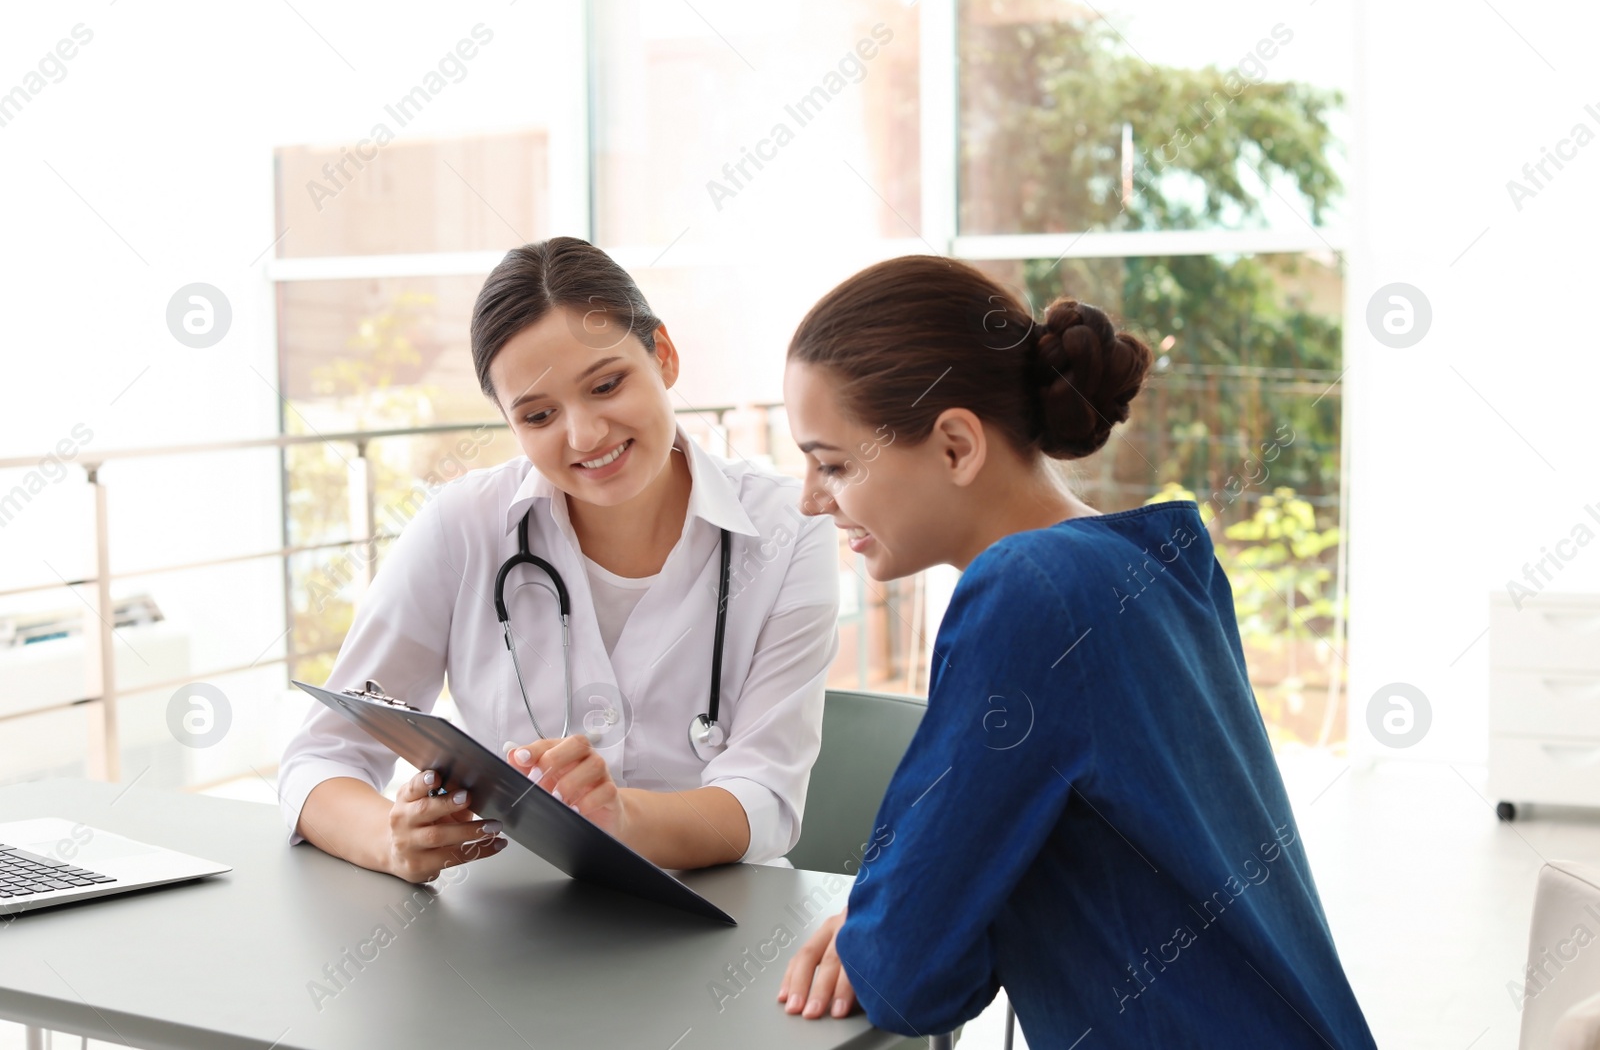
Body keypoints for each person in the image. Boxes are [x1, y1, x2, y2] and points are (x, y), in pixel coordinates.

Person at [775, 256, 1375, 1047]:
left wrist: (888, 911)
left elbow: (906, 977)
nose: (811, 498)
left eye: (833, 463)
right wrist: (904, 905)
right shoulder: (1163, 560)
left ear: (956, 445)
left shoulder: (1026, 592)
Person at [278, 237, 840, 883]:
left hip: (723, 921)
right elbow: (320, 757)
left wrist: (620, 818)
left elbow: (764, 801)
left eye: (606, 384)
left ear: (663, 354)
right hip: (514, 929)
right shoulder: (464, 526)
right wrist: (390, 839)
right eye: (539, 414)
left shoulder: (788, 529)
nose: (586, 435)